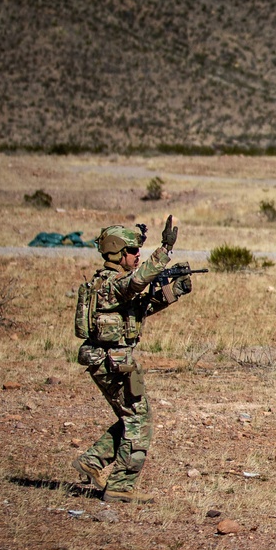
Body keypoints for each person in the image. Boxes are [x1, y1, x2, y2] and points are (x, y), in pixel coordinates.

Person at [71, 216, 192, 503]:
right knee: (140, 422)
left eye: (139, 251)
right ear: (116, 253)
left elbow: (137, 312)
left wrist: (175, 290)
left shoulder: (114, 285)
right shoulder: (110, 283)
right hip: (111, 362)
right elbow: (138, 282)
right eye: (133, 251)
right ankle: (120, 486)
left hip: (114, 360)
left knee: (132, 418)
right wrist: (164, 249)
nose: (138, 255)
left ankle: (93, 461)